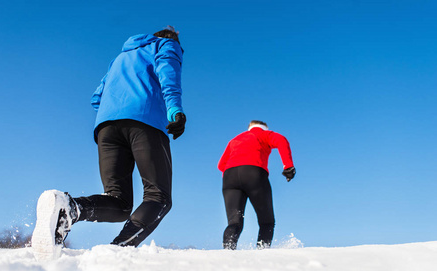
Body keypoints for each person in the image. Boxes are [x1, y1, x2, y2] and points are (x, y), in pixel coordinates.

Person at [32, 26, 186, 258]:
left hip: (106, 126)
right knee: (159, 198)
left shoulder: (121, 57)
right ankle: (118, 249)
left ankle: (70, 208)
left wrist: (116, 109)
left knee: (119, 201)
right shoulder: (165, 45)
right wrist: (174, 110)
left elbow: (97, 97)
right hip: (144, 122)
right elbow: (168, 76)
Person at [218, 120, 295, 250]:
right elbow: (281, 140)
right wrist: (288, 166)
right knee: (267, 222)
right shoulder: (264, 134)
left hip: (229, 177)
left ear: (249, 128)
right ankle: (262, 251)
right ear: (265, 128)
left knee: (234, 222)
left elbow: (221, 165)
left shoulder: (235, 140)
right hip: (254, 174)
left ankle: (228, 251)